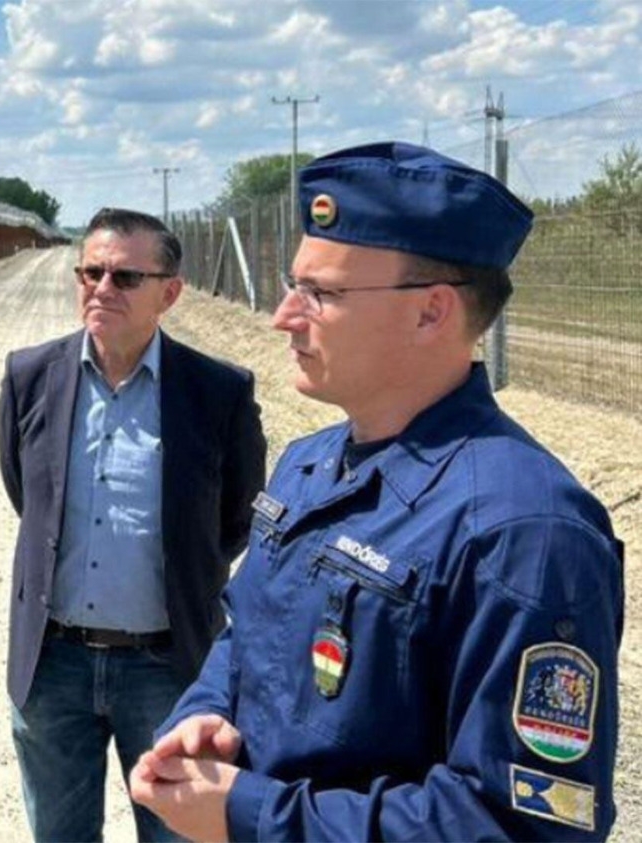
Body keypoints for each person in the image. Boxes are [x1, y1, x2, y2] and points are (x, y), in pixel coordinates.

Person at [131, 142, 624, 841]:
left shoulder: (525, 531)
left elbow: (520, 826)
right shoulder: (309, 464)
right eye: (292, 283)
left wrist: (251, 813)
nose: (283, 316)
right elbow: (249, 635)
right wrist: (209, 714)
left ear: (430, 312)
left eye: (321, 293)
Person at [0, 207, 267, 841]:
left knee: (177, 830)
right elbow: (28, 496)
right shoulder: (31, 376)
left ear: (168, 293)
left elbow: (235, 519)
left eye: (124, 278)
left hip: (167, 669)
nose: (101, 288)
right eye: (90, 272)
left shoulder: (217, 392)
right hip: (52, 664)